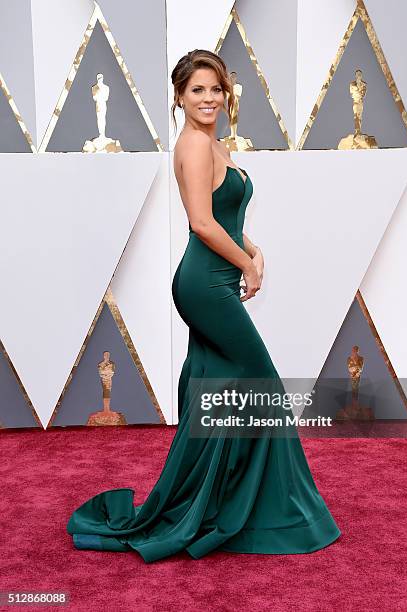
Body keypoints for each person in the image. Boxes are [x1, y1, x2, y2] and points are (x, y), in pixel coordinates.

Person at [67, 49, 341, 562]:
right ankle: (274, 513)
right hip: (204, 286)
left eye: (216, 89)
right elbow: (201, 223)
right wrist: (249, 265)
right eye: (198, 90)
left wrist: (251, 246)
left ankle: (221, 502)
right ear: (180, 97)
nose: (209, 98)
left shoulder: (211, 143)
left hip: (213, 278)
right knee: (265, 388)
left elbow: (223, 214)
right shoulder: (193, 145)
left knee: (217, 393)